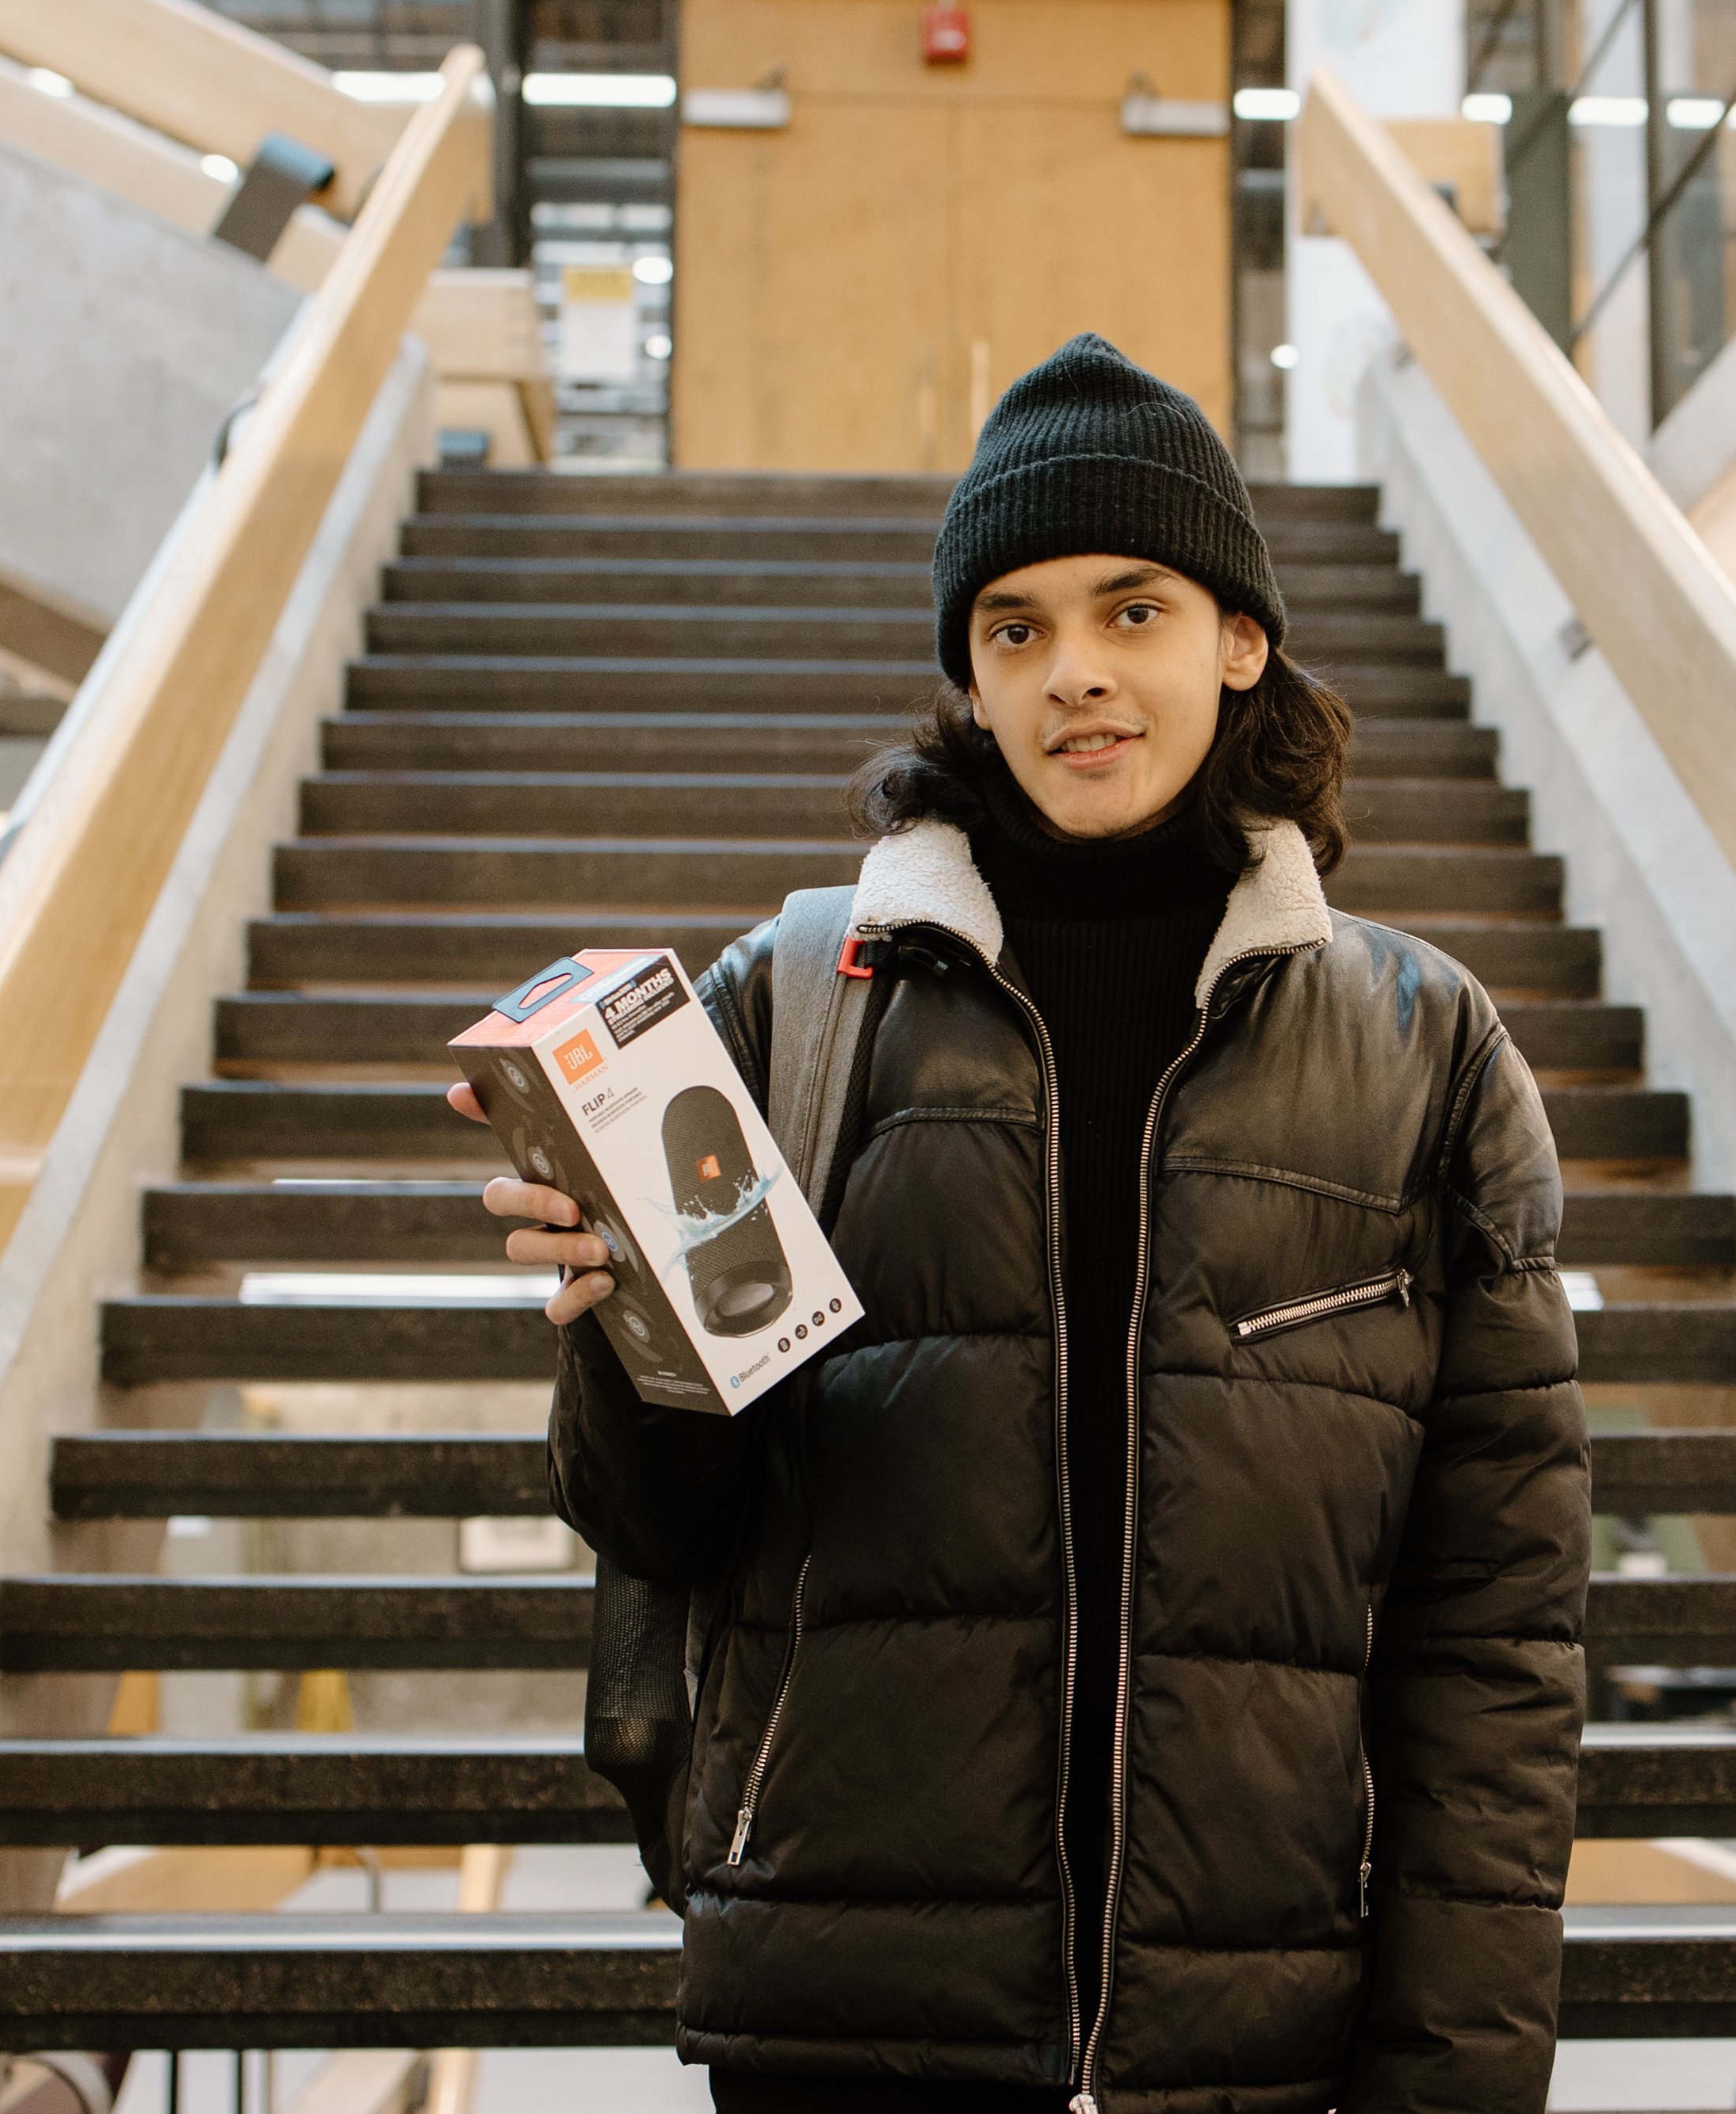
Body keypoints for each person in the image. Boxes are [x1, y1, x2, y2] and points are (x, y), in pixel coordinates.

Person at [450, 334, 1590, 2112]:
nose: (1073, 674)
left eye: (1129, 612)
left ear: (1238, 639)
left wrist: (1450, 2076)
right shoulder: (794, 1007)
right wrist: (624, 1327)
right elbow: (662, 1521)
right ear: (968, 678)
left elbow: (1492, 1632)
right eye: (1014, 629)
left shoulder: (1419, 1052)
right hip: (846, 2016)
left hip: (1252, 2038)